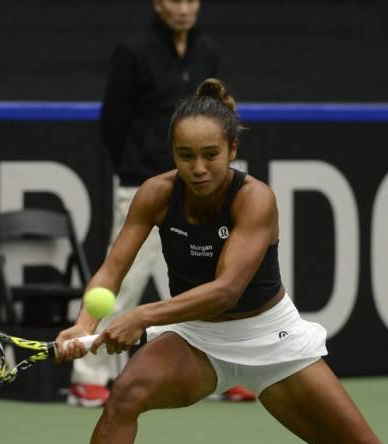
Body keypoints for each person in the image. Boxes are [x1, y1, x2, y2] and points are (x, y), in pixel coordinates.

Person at [55, 78, 381, 443]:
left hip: (270, 337)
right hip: (196, 337)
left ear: (231, 149)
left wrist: (141, 316)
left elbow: (226, 291)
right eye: (185, 155)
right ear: (172, 153)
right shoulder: (156, 194)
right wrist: (84, 325)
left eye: (210, 154)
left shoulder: (255, 199)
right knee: (125, 397)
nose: (198, 168)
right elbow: (113, 269)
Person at [68, 0, 255, 405]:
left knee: (206, 283)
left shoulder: (208, 50)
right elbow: (112, 121)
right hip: (145, 186)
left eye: (191, 0)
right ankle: (90, 374)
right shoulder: (134, 52)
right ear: (158, 4)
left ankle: (220, 370)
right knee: (126, 280)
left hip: (204, 195)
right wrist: (140, 169)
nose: (184, 8)